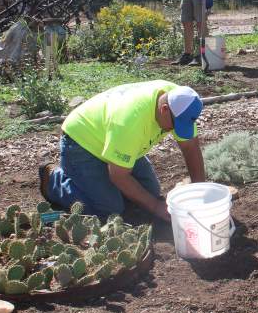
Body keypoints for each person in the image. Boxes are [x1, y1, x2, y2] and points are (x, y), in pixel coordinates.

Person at [39, 81, 206, 220]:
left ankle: (102, 183)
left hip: (115, 140)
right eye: (175, 126)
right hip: (82, 144)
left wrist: (200, 192)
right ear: (164, 110)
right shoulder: (130, 122)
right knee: (110, 209)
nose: (175, 130)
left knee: (151, 192)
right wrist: (156, 207)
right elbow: (118, 176)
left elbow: (190, 147)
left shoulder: (180, 100)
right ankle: (54, 180)